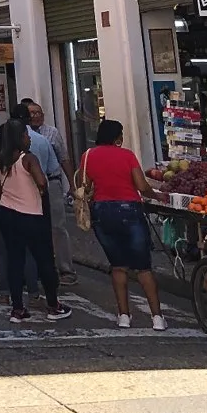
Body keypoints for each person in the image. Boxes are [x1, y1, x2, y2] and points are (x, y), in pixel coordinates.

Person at [80, 118, 166, 330]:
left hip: (102, 211)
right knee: (143, 267)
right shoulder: (126, 155)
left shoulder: (88, 155)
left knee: (118, 266)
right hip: (130, 210)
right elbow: (141, 185)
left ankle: (124, 316)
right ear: (117, 137)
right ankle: (157, 318)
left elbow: (87, 185)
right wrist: (157, 195)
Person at [0, 119, 73, 324]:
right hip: (31, 214)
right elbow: (41, 181)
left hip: (7, 213)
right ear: (20, 138)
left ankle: (17, 309)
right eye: (26, 136)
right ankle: (53, 305)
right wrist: (40, 189)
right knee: (44, 259)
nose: (29, 139)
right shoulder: (28, 159)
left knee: (15, 261)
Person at [26, 98, 77, 287]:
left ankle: (66, 269)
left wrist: (72, 184)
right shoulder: (21, 134)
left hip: (52, 182)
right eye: (32, 113)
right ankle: (39, 268)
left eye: (39, 112)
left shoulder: (52, 133)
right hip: (29, 185)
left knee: (58, 227)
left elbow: (64, 158)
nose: (36, 116)